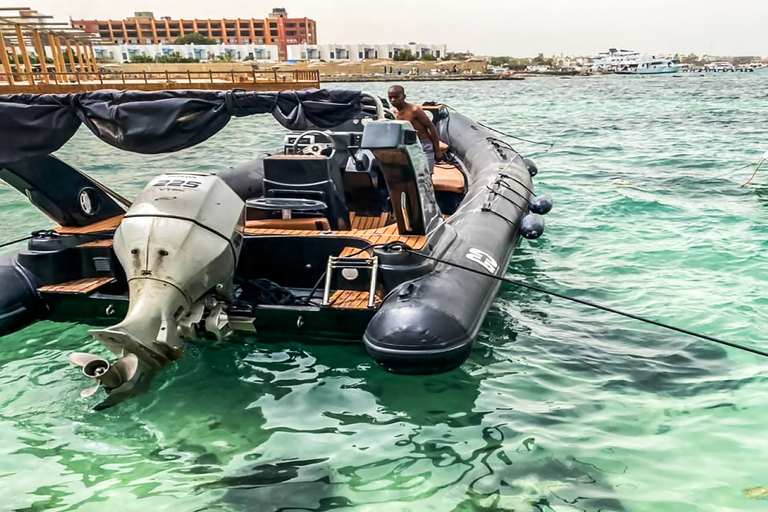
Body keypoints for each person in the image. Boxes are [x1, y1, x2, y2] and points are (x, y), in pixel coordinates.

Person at [386, 85, 442, 173]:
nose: (393, 100)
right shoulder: (392, 112)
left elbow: (430, 127)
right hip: (408, 146)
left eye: (396, 97)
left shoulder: (414, 110)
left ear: (403, 97)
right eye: (390, 97)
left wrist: (437, 150)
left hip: (423, 145)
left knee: (426, 173)